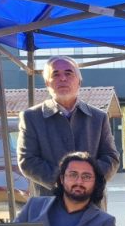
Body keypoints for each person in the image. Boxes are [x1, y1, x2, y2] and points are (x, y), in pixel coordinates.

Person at [17, 55, 119, 197]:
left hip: (91, 201)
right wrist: (63, 180)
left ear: (79, 81)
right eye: (55, 74)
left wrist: (87, 181)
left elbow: (111, 158)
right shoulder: (31, 117)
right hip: (51, 201)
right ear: (47, 83)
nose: (63, 78)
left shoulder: (98, 117)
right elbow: (27, 160)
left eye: (68, 73)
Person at [15, 151, 115, 226]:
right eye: (73, 175)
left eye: (86, 176)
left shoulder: (105, 222)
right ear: (62, 179)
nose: (79, 182)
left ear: (95, 182)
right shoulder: (34, 206)